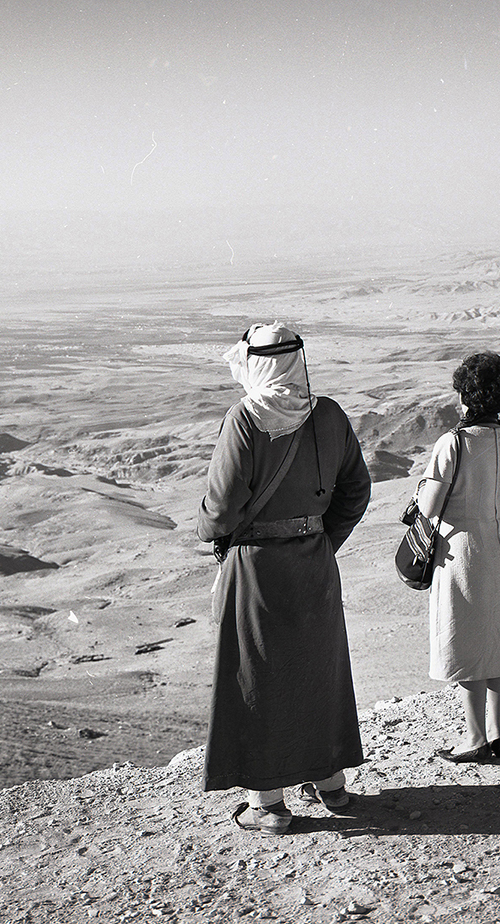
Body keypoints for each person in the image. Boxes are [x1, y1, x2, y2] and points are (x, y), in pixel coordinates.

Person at [197, 322, 371, 835]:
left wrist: (206, 528)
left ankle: (266, 803)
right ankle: (331, 781)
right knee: (316, 669)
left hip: (255, 566)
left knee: (258, 675)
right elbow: (356, 491)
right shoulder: (330, 414)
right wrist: (319, 540)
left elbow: (223, 506)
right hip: (314, 563)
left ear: (255, 364)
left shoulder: (245, 420)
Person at [414, 351, 500, 764]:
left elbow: (429, 507)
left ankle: (474, 737)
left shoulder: (453, 443)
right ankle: (498, 733)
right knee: (497, 638)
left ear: (466, 396)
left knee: (465, 641)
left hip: (461, 548)